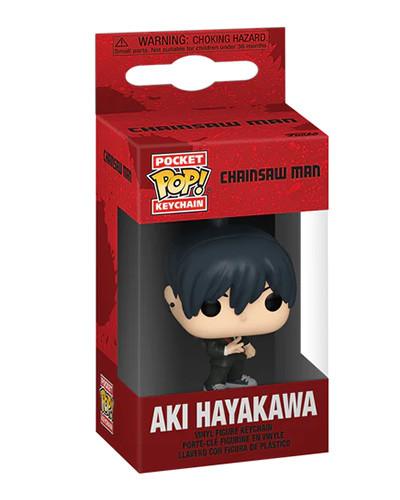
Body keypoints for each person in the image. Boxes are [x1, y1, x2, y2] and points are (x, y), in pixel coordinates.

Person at [164, 224, 296, 391]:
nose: (242, 316)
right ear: (172, 300)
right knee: (220, 369)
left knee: (237, 366)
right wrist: (227, 349)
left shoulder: (238, 333)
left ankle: (236, 379)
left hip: (238, 355)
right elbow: (212, 348)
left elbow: (243, 338)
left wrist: (247, 346)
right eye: (212, 306)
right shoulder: (215, 337)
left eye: (272, 302)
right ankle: (213, 383)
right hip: (223, 358)